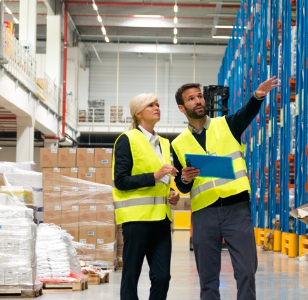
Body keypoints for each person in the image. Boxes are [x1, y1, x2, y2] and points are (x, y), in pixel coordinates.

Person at [170, 77, 279, 300]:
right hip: (204, 214)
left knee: (246, 271)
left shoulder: (227, 125)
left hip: (236, 209)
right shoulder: (178, 143)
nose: (198, 101)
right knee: (208, 278)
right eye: (191, 99)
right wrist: (186, 179)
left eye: (199, 96)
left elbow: (247, 113)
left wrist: (257, 96)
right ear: (182, 108)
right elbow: (181, 185)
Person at [112, 93, 179, 300]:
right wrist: (154, 176)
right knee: (131, 275)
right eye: (151, 105)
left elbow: (162, 181)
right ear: (138, 113)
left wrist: (171, 193)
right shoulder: (127, 139)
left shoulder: (165, 144)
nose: (156, 107)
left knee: (162, 276)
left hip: (161, 220)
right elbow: (120, 181)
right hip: (137, 219)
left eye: (158, 104)